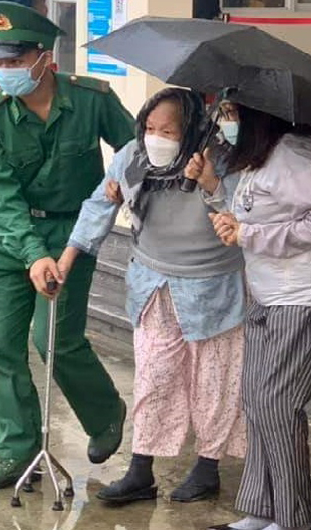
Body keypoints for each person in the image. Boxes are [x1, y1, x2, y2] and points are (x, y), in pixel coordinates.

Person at [0, 1, 135, 491]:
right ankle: (17, 456)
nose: (5, 71)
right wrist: (31, 254)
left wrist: (123, 183)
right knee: (3, 348)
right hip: (8, 241)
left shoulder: (92, 98)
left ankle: (106, 413)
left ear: (45, 58)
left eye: (14, 61)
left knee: (54, 340)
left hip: (70, 237)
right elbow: (1, 197)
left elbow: (135, 152)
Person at [57, 88, 247, 504]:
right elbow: (98, 205)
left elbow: (245, 216)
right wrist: (68, 259)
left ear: (193, 130)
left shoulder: (223, 158)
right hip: (153, 284)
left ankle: (207, 467)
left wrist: (211, 182)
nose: (156, 136)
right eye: (150, 127)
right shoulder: (133, 155)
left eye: (168, 130)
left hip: (213, 288)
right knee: (153, 376)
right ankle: (141, 470)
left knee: (214, 382)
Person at [189, 103, 311, 530]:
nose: (226, 122)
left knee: (277, 404)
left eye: (230, 112)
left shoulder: (294, 156)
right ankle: (264, 508)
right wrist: (217, 198)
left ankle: (297, 520)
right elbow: (256, 212)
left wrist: (251, 235)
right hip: (268, 293)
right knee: (257, 399)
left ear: (258, 114)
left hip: (307, 297)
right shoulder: (263, 156)